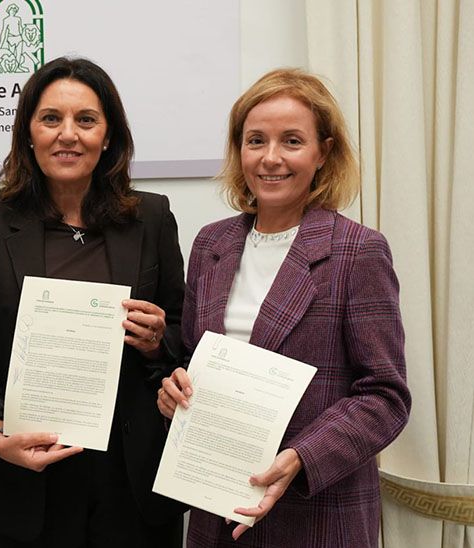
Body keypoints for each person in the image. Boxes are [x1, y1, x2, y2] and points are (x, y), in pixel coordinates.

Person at [157, 68, 411, 547]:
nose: (270, 159)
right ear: (240, 151)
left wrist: (301, 456)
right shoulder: (211, 244)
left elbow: (386, 397)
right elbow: (192, 358)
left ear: (323, 153)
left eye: (292, 141)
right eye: (256, 141)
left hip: (316, 514)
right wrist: (176, 390)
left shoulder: (359, 252)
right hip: (216, 510)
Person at [0, 57, 187, 548]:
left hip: (132, 482)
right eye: (51, 118)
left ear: (108, 136)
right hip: (29, 475)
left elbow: (183, 342)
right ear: (28, 133)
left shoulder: (153, 217)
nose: (68, 134)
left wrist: (157, 341)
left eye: (86, 120)